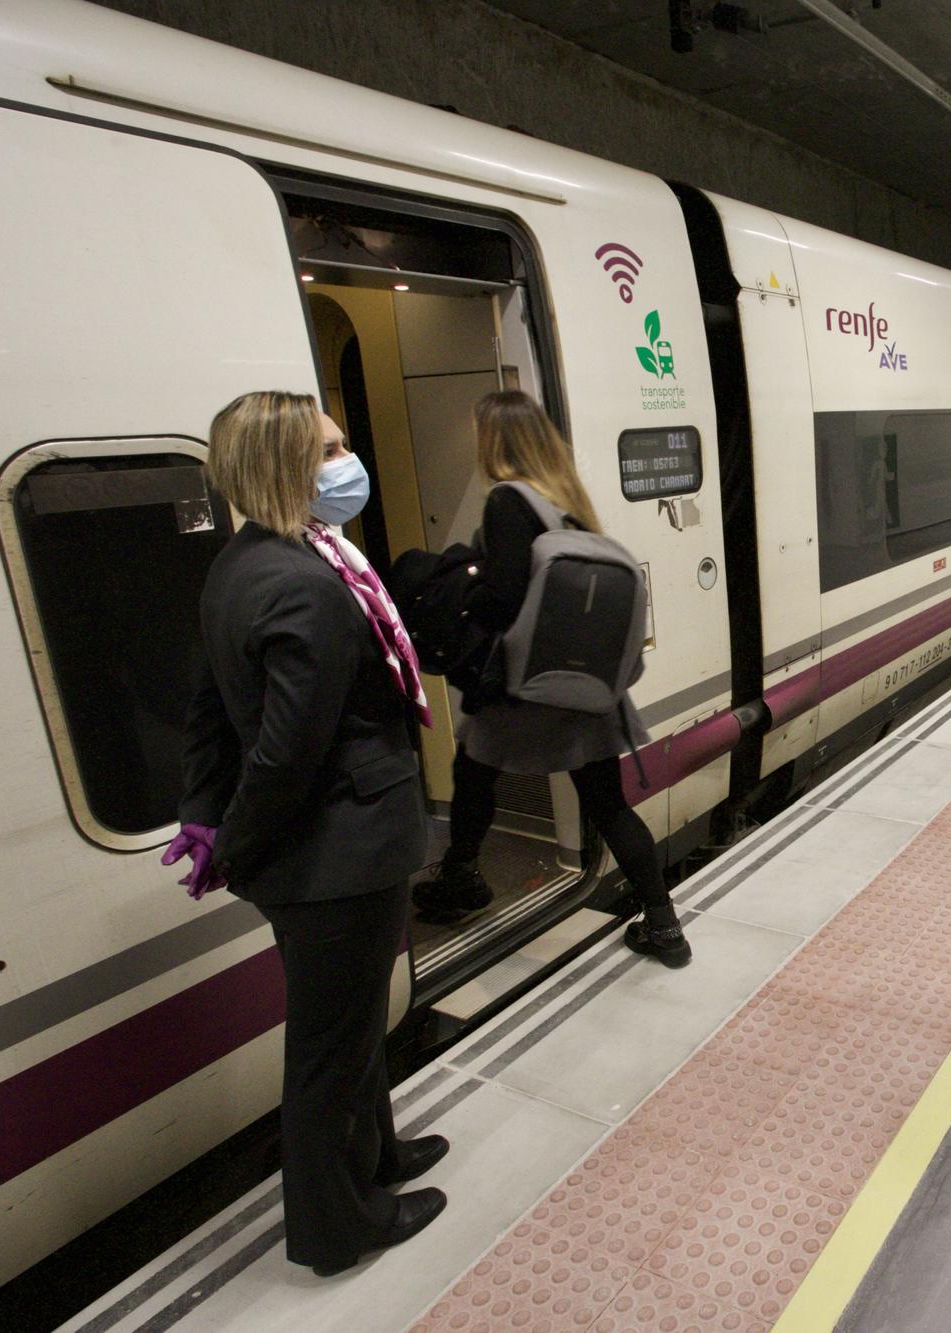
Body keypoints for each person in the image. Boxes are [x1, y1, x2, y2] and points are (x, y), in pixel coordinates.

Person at [174, 391, 447, 1276]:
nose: (346, 461)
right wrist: (238, 842)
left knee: (357, 1020)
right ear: (288, 467)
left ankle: (380, 1156)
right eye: (329, 449)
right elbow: (289, 754)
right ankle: (339, 1226)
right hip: (336, 855)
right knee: (329, 1051)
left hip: (323, 852)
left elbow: (210, 706)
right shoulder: (305, 585)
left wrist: (204, 810)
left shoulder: (243, 564)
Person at [412, 391, 690, 967]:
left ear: (494, 439)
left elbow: (504, 598)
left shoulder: (506, 501)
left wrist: (466, 582)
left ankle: (461, 878)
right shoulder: (568, 502)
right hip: (587, 693)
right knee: (608, 804)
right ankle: (665, 927)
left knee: (472, 773)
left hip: (526, 689)